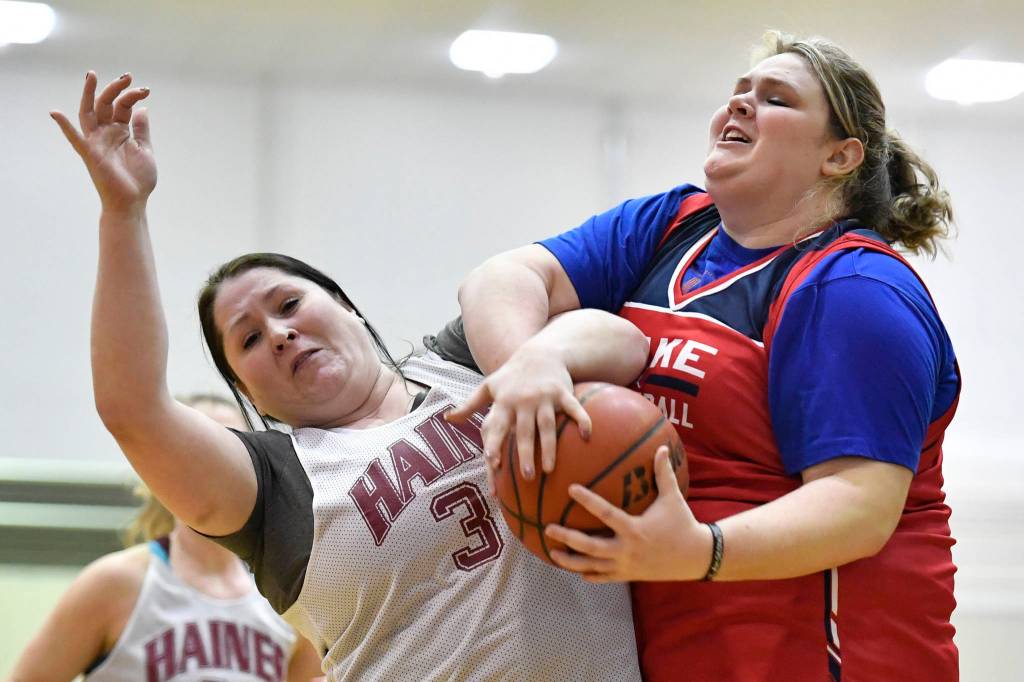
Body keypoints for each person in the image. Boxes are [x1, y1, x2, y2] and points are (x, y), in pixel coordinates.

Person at [48, 71, 650, 681]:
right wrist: (123, 212)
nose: (280, 333)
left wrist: (539, 361)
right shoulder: (274, 489)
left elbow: (623, 341)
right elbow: (132, 410)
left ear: (348, 307)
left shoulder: (466, 359)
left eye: (288, 305)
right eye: (250, 339)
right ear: (247, 391)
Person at [439, 30, 960, 681]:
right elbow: (503, 276)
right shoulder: (673, 224)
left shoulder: (853, 290)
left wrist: (701, 549)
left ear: (840, 156)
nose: (739, 105)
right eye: (738, 92)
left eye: (775, 98)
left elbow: (859, 507)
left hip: (831, 659)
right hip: (685, 651)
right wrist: (526, 366)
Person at [10, 395, 324, 682]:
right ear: (163, 464)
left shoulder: (290, 596)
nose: (212, 465)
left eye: (228, 449)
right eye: (195, 448)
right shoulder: (115, 582)